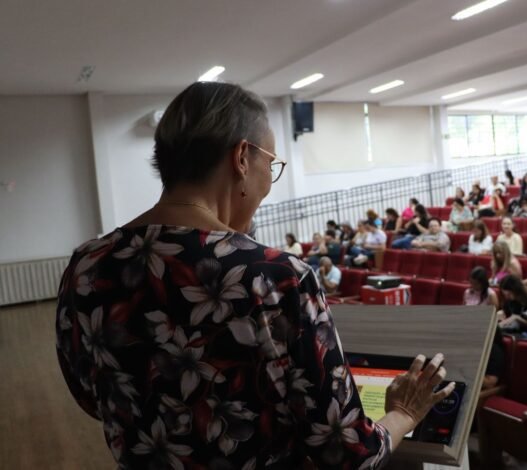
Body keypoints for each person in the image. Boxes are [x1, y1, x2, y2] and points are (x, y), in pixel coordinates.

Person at [55, 82, 454, 468]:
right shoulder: (275, 278)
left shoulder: (85, 266)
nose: (269, 181)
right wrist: (404, 411)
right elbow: (349, 453)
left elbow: (91, 397)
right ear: (242, 157)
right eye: (272, 163)